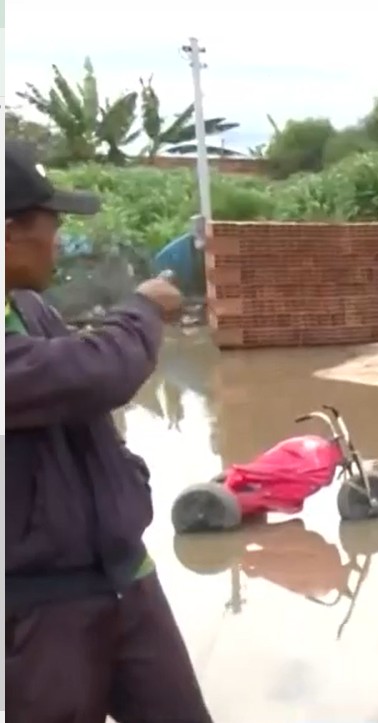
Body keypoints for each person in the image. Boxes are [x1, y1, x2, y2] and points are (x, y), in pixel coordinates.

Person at [5, 140, 212, 722]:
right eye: (53, 222)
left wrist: (125, 478)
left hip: (125, 577)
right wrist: (141, 311)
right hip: (39, 608)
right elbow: (92, 375)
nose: (59, 239)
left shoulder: (28, 306)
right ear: (8, 231)